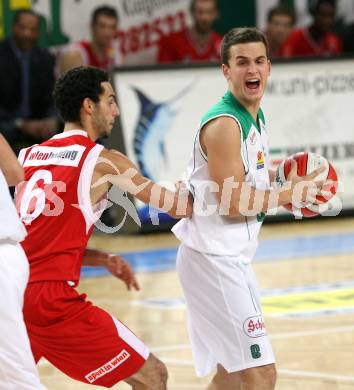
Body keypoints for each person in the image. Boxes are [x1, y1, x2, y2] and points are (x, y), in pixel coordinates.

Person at [15, 66, 192, 389]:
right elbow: (180, 207)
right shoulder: (104, 161)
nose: (117, 110)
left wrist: (99, 257)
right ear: (88, 106)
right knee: (153, 374)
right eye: (110, 100)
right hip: (50, 300)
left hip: (12, 291)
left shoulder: (27, 156)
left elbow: (36, 240)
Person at [172, 27, 325, 389]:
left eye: (258, 61)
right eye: (241, 62)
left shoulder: (254, 117)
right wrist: (288, 194)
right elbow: (233, 204)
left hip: (230, 259)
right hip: (212, 260)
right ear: (226, 71)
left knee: (231, 374)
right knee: (261, 374)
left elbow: (241, 182)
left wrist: (279, 178)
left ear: (269, 67)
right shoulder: (226, 124)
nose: (251, 69)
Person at [0, 134, 46, 389]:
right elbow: (14, 174)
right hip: (9, 255)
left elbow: (15, 174)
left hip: (2, 255)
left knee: (15, 377)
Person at [0, 9, 57, 155]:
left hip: (38, 126)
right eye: (23, 28)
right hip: (8, 123)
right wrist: (21, 124)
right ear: (13, 28)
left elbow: (52, 97)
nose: (27, 34)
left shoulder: (46, 59)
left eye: (33, 30)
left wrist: (50, 119)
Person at [57, 6, 122, 74]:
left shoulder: (114, 53)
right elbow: (69, 84)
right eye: (102, 26)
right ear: (92, 26)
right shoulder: (75, 55)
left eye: (112, 27)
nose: (107, 33)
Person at [157, 0, 222, 64]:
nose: (204, 17)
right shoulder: (171, 42)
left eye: (209, 12)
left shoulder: (223, 44)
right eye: (200, 12)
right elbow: (162, 73)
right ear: (192, 12)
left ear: (216, 14)